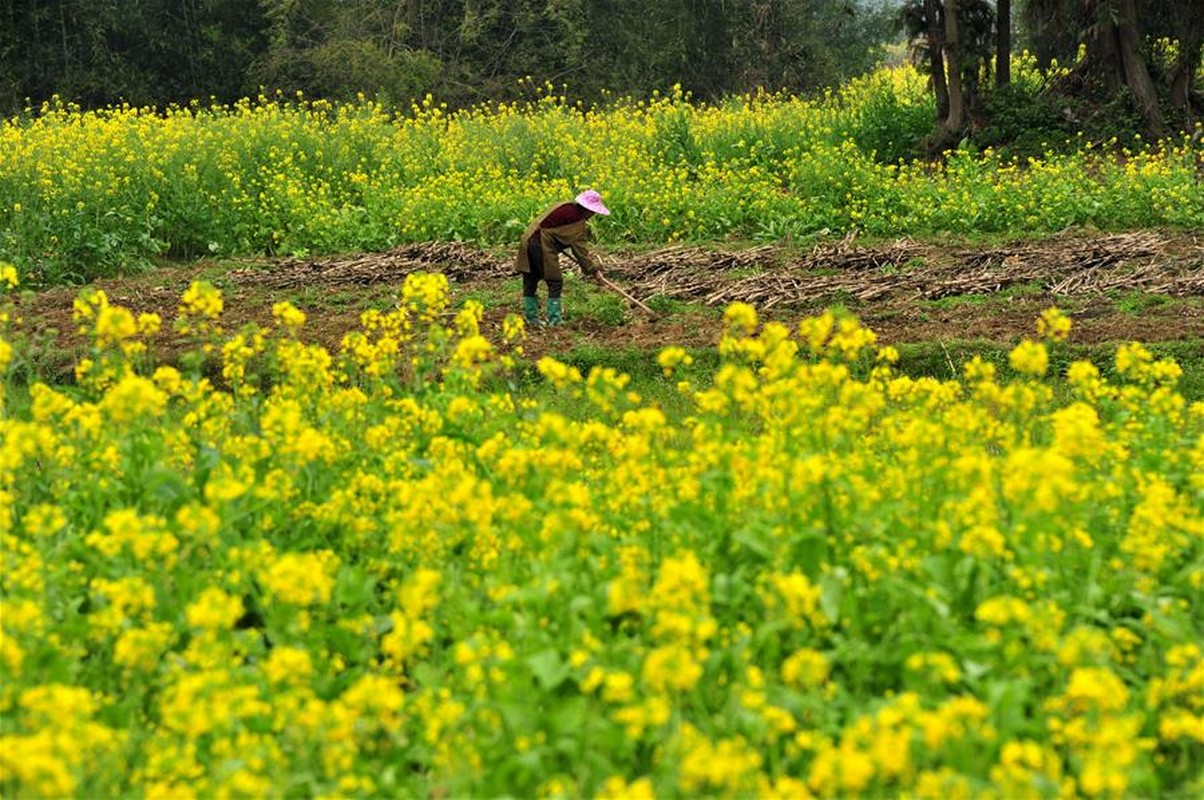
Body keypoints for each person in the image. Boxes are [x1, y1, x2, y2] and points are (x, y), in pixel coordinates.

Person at [514, 189, 610, 325]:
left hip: (528, 239)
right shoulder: (577, 222)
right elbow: (581, 252)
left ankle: (532, 318)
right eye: (593, 212)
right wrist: (594, 270)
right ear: (587, 209)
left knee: (531, 278)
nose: (593, 215)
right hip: (540, 244)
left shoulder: (564, 205)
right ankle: (554, 320)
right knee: (555, 282)